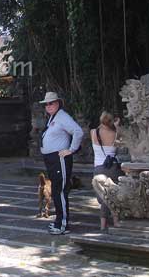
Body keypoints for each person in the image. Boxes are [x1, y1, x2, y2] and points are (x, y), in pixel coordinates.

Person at [39, 91, 83, 235]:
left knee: (60, 191)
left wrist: (71, 149)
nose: (48, 106)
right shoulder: (53, 117)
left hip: (60, 159)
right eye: (46, 104)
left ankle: (62, 224)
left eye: (51, 103)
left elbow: (78, 131)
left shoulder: (63, 116)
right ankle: (59, 221)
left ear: (57, 103)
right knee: (56, 191)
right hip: (51, 159)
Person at [91, 111, 121, 232]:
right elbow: (121, 142)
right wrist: (117, 127)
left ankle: (103, 224)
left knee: (104, 197)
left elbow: (100, 127)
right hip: (113, 167)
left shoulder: (93, 132)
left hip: (99, 167)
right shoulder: (115, 133)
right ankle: (115, 220)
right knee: (114, 195)